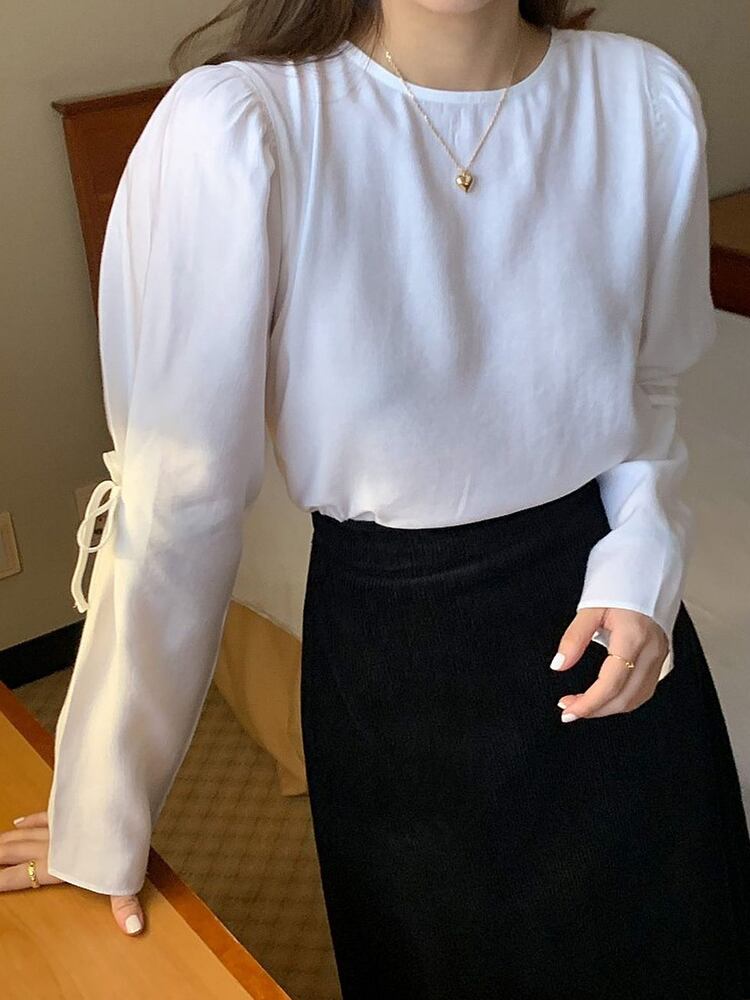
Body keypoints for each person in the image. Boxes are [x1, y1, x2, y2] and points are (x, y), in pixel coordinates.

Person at [1, 0, 749, 996]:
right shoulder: (245, 128)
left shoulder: (640, 97)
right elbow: (178, 502)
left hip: (623, 661)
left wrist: (643, 566)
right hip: (401, 675)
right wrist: (102, 808)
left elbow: (648, 387)